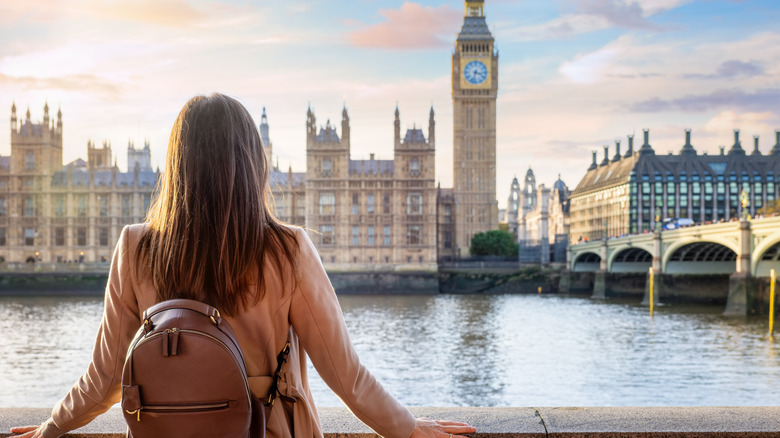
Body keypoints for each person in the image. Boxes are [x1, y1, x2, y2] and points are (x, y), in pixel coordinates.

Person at [11, 94, 476, 438]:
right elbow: (345, 374)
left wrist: (52, 428)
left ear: (175, 166)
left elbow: (104, 381)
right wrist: (409, 429)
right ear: (254, 161)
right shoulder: (288, 248)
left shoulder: (136, 246)